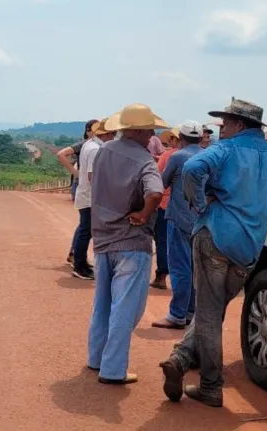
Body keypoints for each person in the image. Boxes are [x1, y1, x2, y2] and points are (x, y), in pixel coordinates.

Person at [159, 98, 267, 407]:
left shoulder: (227, 149)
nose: (222, 130)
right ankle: (182, 359)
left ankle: (210, 384)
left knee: (209, 313)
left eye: (225, 125)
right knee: (214, 309)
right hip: (248, 249)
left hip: (215, 236)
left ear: (238, 125)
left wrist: (199, 203)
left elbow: (193, 168)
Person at [87, 103, 166, 385]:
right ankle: (113, 369)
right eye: (149, 129)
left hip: (103, 237)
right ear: (137, 130)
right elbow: (155, 193)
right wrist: (143, 215)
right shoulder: (144, 159)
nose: (152, 134)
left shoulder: (102, 151)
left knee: (103, 303)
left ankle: (96, 359)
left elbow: (92, 182)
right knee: (126, 307)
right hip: (131, 241)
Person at [151, 121, 203, 329]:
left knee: (180, 267)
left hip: (179, 217)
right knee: (195, 268)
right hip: (200, 220)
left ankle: (177, 314)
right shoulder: (207, 156)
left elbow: (161, 183)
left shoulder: (178, 157)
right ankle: (191, 311)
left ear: (180, 138)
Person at [71, 119, 114, 280]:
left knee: (85, 230)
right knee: (85, 231)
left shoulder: (90, 145)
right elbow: (92, 176)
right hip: (91, 197)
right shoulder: (96, 149)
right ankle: (79, 266)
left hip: (86, 195)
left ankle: (80, 262)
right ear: (107, 134)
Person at [57, 120, 99, 266]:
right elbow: (61, 154)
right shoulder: (87, 145)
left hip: (83, 184)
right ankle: (75, 255)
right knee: (85, 225)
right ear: (88, 131)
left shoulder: (92, 145)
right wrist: (76, 173)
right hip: (85, 185)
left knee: (84, 224)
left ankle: (74, 253)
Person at [150, 127, 180, 289]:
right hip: (187, 208)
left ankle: (161, 276)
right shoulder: (199, 155)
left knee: (162, 240)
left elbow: (158, 180)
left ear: (176, 139)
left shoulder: (168, 156)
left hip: (164, 205)